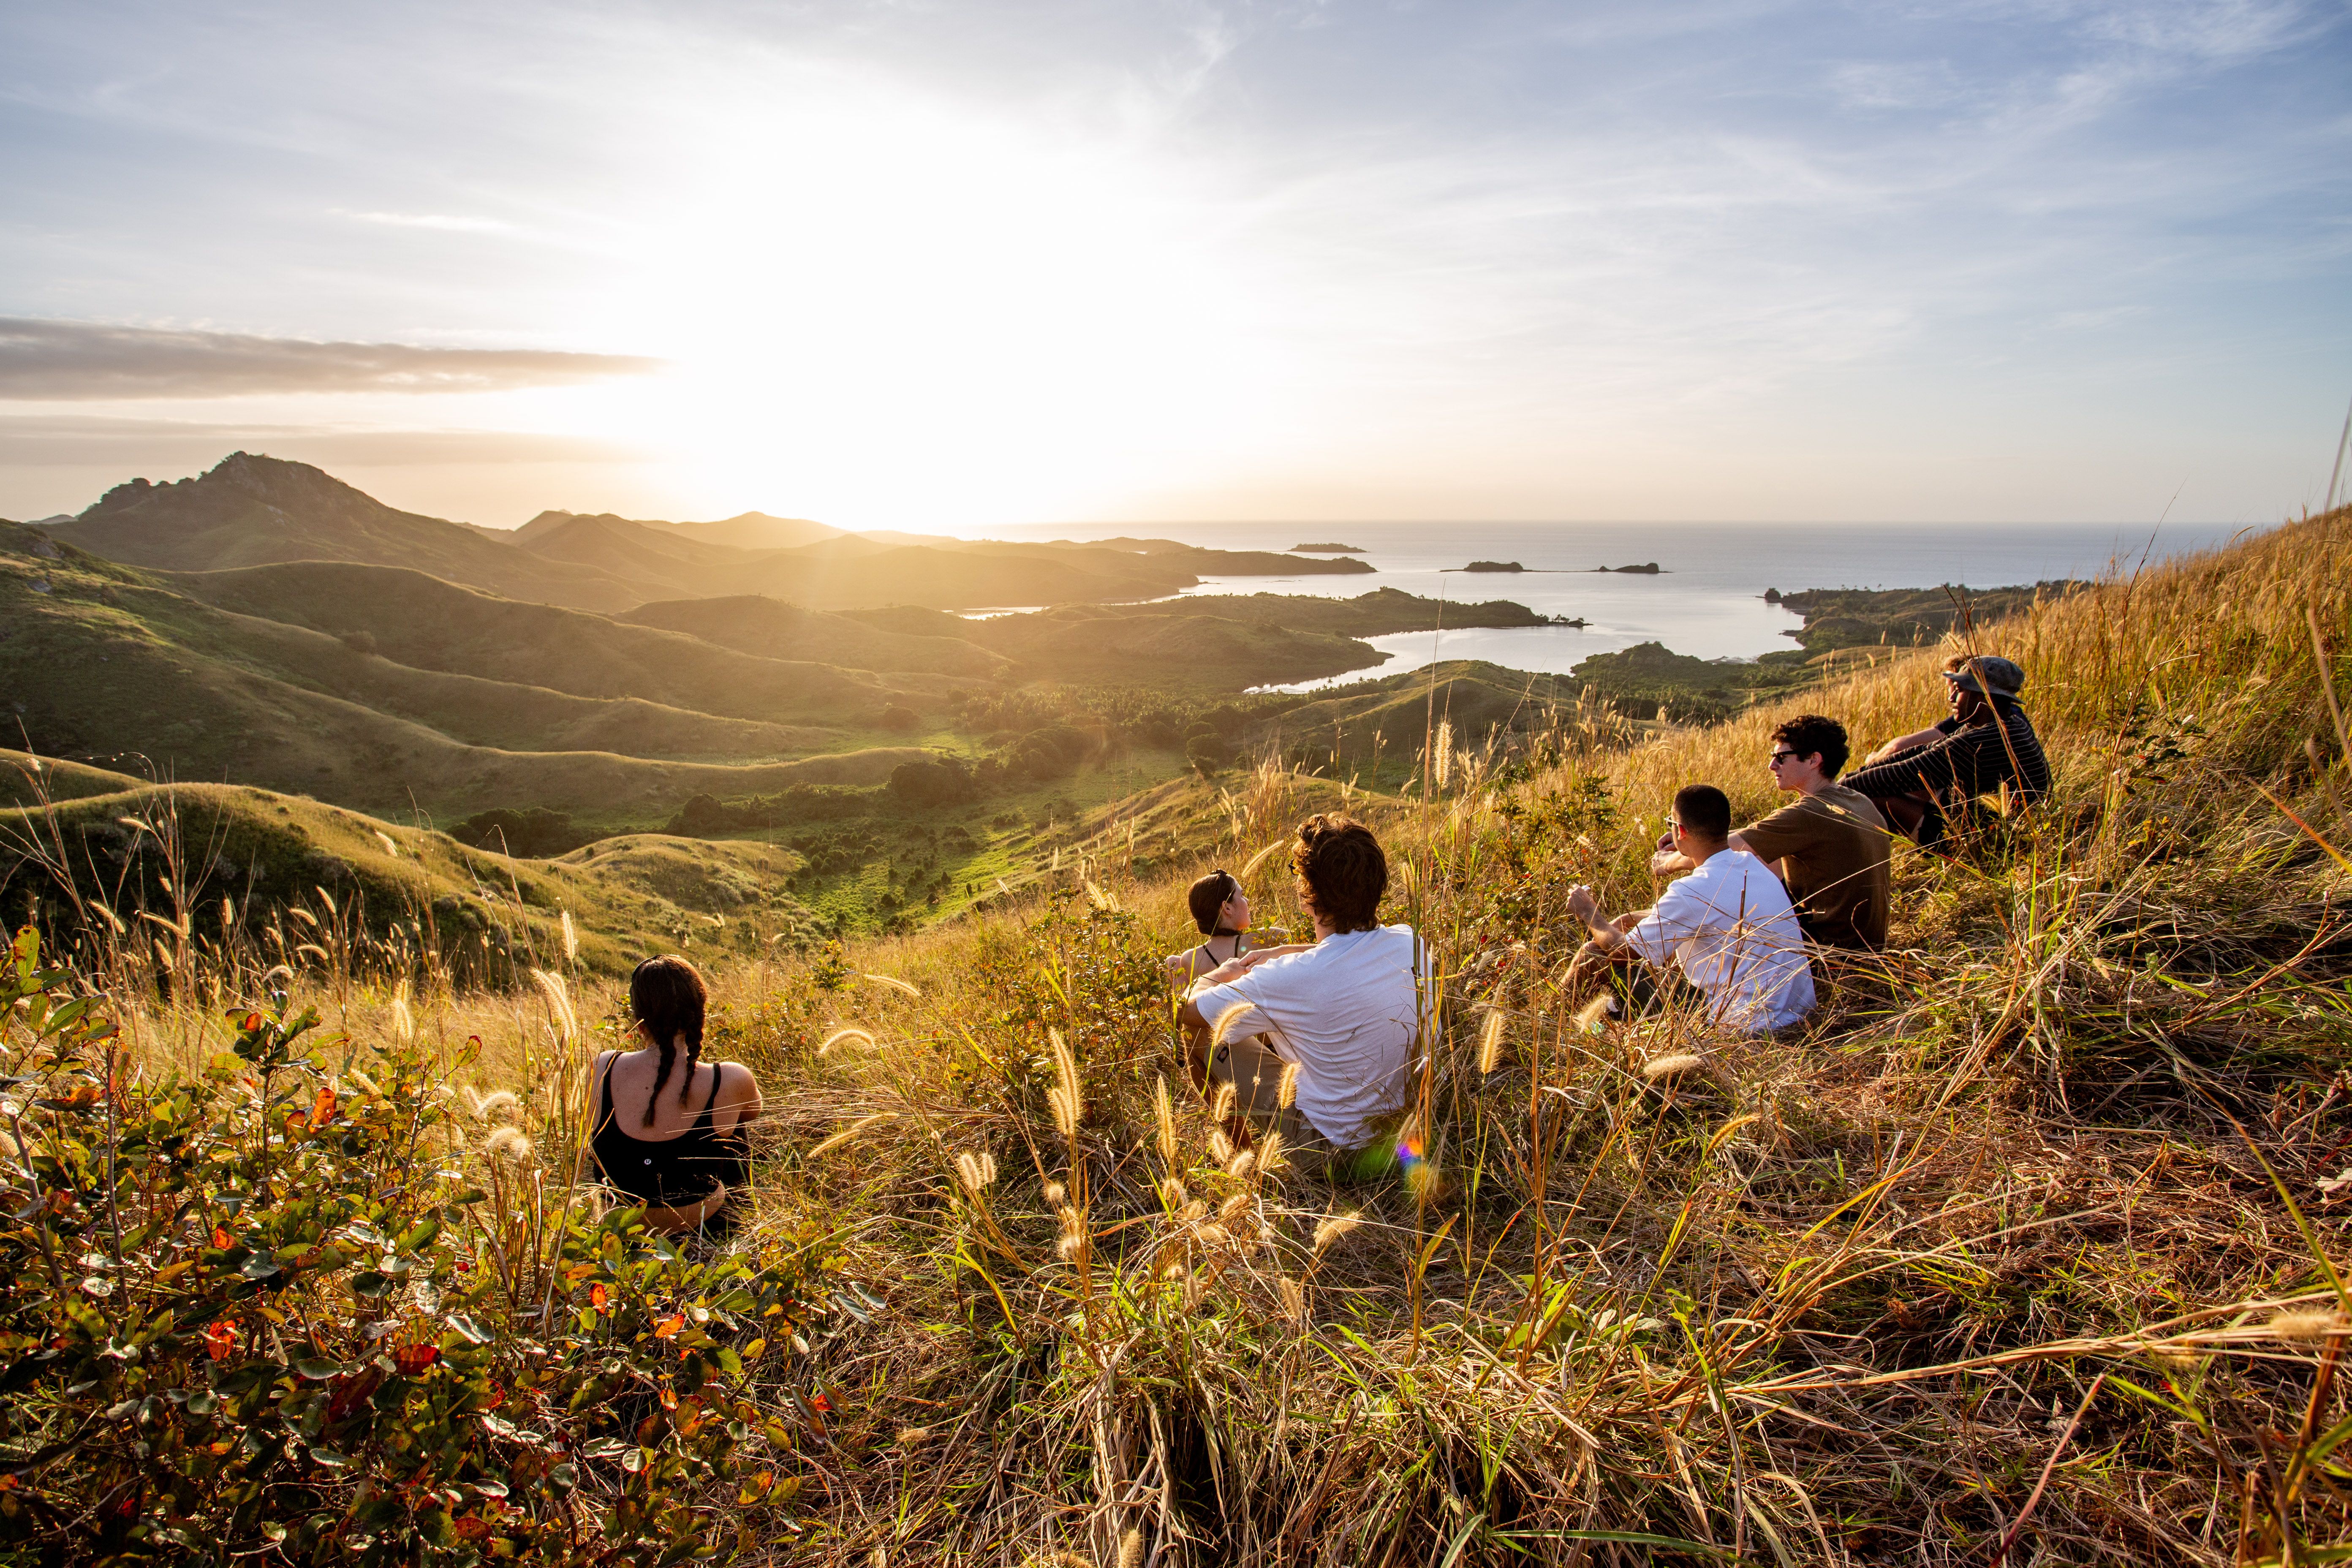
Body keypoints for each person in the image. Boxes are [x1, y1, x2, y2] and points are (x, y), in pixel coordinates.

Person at [1177, 814, 1425, 1156]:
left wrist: (1218, 975)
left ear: (1308, 896)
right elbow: (1350, 952)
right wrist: (1285, 950)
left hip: (1332, 1152)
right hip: (1410, 1126)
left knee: (1201, 1033)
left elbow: (1186, 1011)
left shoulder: (1287, 976)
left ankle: (1243, 1159)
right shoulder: (1411, 942)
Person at [1565, 784, 1815, 1035]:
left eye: (1670, 823)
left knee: (1593, 953)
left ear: (1680, 831)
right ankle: (1598, 1022)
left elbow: (1623, 953)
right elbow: (1704, 914)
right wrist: (1634, 918)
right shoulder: (1751, 865)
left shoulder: (1692, 890)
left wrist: (1589, 912)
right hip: (1797, 1012)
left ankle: (1558, 1024)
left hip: (1741, 1023)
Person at [1649, 715, 1891, 951]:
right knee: (1758, 858)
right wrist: (1697, 832)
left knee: (1713, 917)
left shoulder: (1808, 814)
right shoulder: (1856, 800)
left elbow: (1717, 849)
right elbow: (1749, 837)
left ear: (1814, 760)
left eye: (1781, 757)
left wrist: (1667, 863)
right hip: (1868, 943)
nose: (1772, 765)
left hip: (1833, 951)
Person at [588, 955, 764, 1236]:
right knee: (732, 1124)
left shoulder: (602, 1066)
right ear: (699, 1010)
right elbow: (752, 1111)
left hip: (622, 1236)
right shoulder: (730, 1078)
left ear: (638, 1018)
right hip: (705, 1228)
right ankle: (743, 1231)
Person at [1843, 654, 2050, 849]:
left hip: (1985, 842)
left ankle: (1864, 864)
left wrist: (1837, 787)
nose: (1951, 697)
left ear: (1982, 696)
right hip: (1994, 824)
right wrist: (1857, 773)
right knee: (1892, 786)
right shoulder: (2008, 724)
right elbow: (1922, 752)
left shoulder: (1979, 741)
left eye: (1959, 690)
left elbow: (1898, 775)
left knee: (1871, 798)